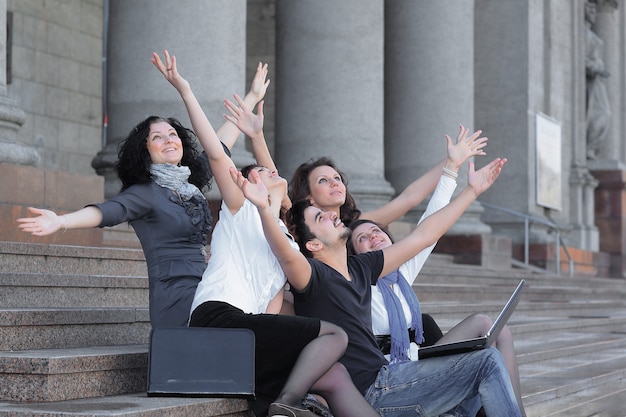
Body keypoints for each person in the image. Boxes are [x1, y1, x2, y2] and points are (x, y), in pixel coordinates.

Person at [151, 50, 381, 417]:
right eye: (261, 170)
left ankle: (286, 401)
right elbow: (214, 153)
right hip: (217, 319)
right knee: (335, 335)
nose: (271, 171)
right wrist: (186, 90)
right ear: (246, 183)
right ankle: (284, 405)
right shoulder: (239, 209)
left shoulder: (285, 242)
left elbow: (272, 309)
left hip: (247, 337)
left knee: (335, 373)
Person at [233, 148, 522, 416]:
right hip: (374, 390)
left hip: (392, 379)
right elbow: (284, 253)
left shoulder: (363, 267)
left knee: (482, 362)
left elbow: (423, 236)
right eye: (321, 217)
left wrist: (471, 191)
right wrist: (262, 207)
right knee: (487, 362)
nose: (332, 215)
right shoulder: (311, 276)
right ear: (313, 246)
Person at [15, 62, 271, 329]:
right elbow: (106, 211)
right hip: (178, 298)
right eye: (158, 138)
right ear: (145, 151)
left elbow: (218, 146)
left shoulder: (188, 184)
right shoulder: (146, 193)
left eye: (173, 134)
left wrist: (253, 96)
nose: (169, 140)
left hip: (207, 286)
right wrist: (61, 221)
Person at [348, 216, 526, 414]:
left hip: (417, 359)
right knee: (486, 359)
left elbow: (430, 227)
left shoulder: (401, 276)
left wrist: (454, 184)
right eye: (362, 238)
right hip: (394, 376)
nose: (373, 236)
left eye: (376, 230)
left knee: (491, 327)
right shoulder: (360, 287)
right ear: (354, 255)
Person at [288, 125, 487, 228]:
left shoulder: (358, 226)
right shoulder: (300, 230)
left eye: (337, 178)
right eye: (323, 180)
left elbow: (409, 198)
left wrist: (451, 161)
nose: (335, 183)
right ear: (309, 196)